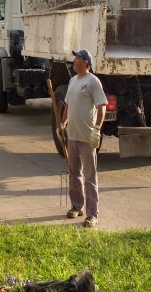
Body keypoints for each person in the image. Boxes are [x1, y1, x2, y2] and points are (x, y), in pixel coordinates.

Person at [61, 49, 107, 228]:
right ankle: (77, 206)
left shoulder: (92, 81)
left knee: (89, 176)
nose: (74, 61)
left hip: (87, 137)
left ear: (86, 62)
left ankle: (92, 214)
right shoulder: (72, 81)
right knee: (74, 174)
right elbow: (67, 105)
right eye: (75, 59)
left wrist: (97, 129)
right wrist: (63, 124)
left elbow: (102, 106)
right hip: (72, 136)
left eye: (78, 59)